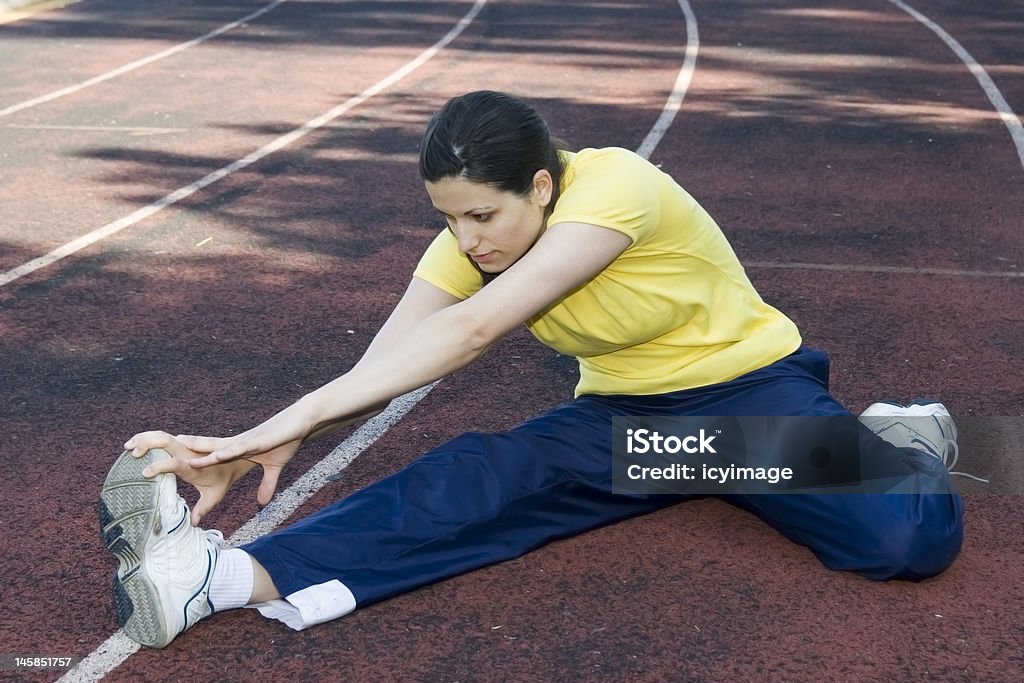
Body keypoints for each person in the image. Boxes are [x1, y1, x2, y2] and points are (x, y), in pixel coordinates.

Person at [99, 91, 964, 649]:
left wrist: (270, 428)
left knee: (906, 540)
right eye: (448, 219)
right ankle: (213, 578)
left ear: (543, 187)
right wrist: (270, 439)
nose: (468, 240)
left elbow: (474, 329)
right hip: (629, 419)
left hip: (752, 391)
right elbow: (393, 356)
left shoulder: (617, 184)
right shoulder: (468, 240)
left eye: (483, 214)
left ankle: (894, 439)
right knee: (483, 474)